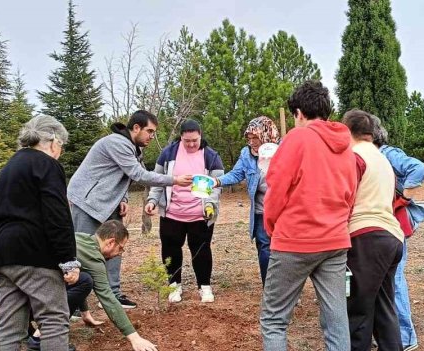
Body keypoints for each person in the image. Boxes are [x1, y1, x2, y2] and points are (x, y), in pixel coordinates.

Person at [260, 81, 359, 351]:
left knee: (274, 320)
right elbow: (350, 193)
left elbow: (276, 187)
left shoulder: (298, 136)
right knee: (336, 323)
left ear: (299, 113)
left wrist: (272, 226)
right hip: (334, 241)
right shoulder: (346, 143)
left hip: (295, 240)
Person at [0, 115, 91, 351]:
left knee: (9, 329)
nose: (60, 151)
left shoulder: (9, 166)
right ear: (53, 141)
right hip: (35, 254)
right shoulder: (47, 165)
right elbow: (57, 214)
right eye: (61, 145)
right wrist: (69, 260)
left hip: (4, 255)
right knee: (55, 321)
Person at [315, 110, 406, 351]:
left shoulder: (354, 157)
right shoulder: (382, 158)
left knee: (356, 304)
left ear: (347, 130)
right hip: (392, 236)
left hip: (366, 236)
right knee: (383, 300)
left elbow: (344, 196)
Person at [67, 110, 194, 309]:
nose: (152, 136)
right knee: (80, 251)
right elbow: (138, 174)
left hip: (109, 201)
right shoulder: (116, 143)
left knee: (115, 245)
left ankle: (113, 295)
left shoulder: (132, 147)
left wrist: (124, 197)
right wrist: (174, 180)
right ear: (136, 128)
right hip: (87, 201)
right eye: (149, 131)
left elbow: (122, 174)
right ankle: (72, 302)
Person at [25, 220, 160, 351]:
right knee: (85, 280)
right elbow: (108, 297)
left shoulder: (80, 238)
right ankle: (41, 339)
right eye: (120, 248)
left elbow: (78, 280)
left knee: (82, 278)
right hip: (32, 297)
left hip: (16, 293)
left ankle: (26, 327)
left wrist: (85, 312)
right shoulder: (94, 258)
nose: (120, 253)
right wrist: (135, 338)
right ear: (110, 242)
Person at [144, 119, 225, 303]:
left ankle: (204, 287)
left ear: (200, 136)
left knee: (201, 251)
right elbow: (158, 181)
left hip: (200, 215)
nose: (191, 144)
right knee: (171, 250)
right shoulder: (168, 153)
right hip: (172, 215)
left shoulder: (211, 156)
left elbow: (217, 185)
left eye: (194, 140)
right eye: (187, 140)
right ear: (181, 137)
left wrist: (210, 205)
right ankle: (174, 286)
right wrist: (152, 200)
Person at [372, 115, 424, 351]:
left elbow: (418, 168)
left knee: (394, 280)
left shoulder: (387, 153)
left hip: (394, 227)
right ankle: (390, 333)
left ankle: (405, 337)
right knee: (384, 281)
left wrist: (404, 197)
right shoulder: (372, 157)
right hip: (384, 227)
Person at [214, 116, 281, 284]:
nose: (252, 142)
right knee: (264, 249)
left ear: (266, 136)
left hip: (282, 210)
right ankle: (270, 289)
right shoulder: (246, 154)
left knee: (284, 251)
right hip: (261, 211)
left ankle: (287, 291)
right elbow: (237, 173)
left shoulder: (283, 151)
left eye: (255, 138)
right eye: (249, 138)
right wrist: (218, 181)